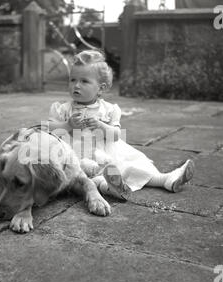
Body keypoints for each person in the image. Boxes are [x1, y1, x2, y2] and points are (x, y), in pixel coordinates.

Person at [48, 50, 194, 200]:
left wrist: (101, 126)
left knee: (130, 166)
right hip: (77, 154)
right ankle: (111, 188)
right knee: (88, 173)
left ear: (101, 88)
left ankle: (165, 180)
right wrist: (68, 125)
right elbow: (49, 129)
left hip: (107, 152)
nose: (76, 85)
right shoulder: (63, 109)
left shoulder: (109, 110)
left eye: (84, 81)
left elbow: (116, 135)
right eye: (72, 80)